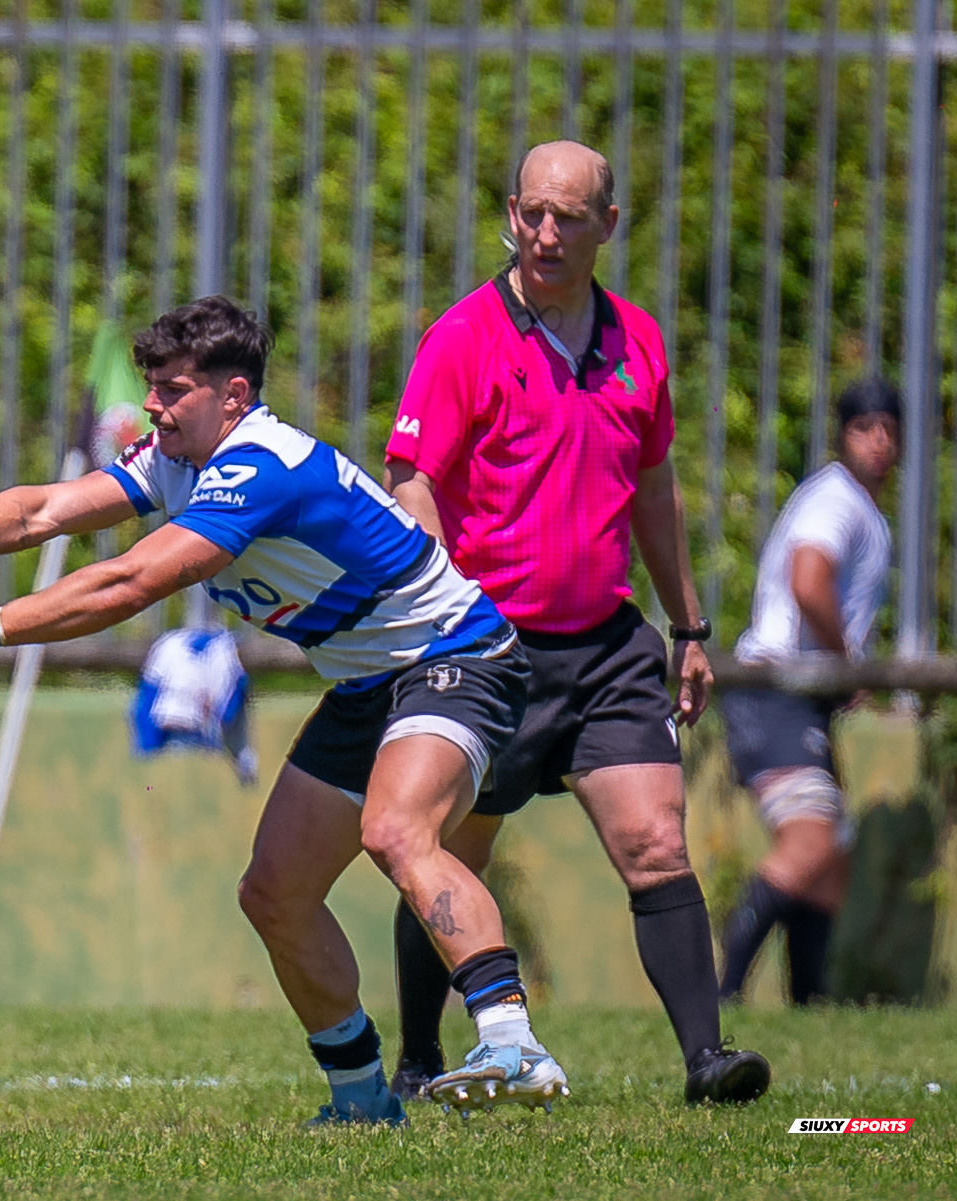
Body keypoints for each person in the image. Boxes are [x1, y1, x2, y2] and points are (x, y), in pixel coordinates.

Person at [0, 295, 569, 1124]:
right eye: (151, 387)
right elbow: (46, 509)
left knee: (396, 831)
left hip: (458, 658)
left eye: (173, 389)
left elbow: (133, 579)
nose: (152, 405)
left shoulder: (259, 466)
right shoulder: (176, 456)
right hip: (369, 681)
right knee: (274, 891)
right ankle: (360, 1098)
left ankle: (512, 1040)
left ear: (234, 395)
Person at [381, 139, 768, 1105]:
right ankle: (422, 1059)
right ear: (512, 214)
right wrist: (442, 611)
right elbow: (411, 479)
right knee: (449, 852)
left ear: (609, 223)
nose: (547, 232)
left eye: (569, 216)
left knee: (655, 843)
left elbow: (654, 484)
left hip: (606, 646)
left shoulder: (638, 339)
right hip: (488, 651)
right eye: (531, 213)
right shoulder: (465, 336)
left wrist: (687, 626)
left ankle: (706, 1062)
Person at [717, 380, 901, 1005]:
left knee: (831, 866)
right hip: (773, 689)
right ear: (842, 435)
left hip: (797, 698)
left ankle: (812, 1009)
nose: (879, 441)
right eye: (864, 427)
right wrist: (846, 665)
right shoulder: (838, 500)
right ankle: (722, 995)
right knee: (811, 844)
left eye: (889, 428)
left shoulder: (865, 513)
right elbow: (808, 579)